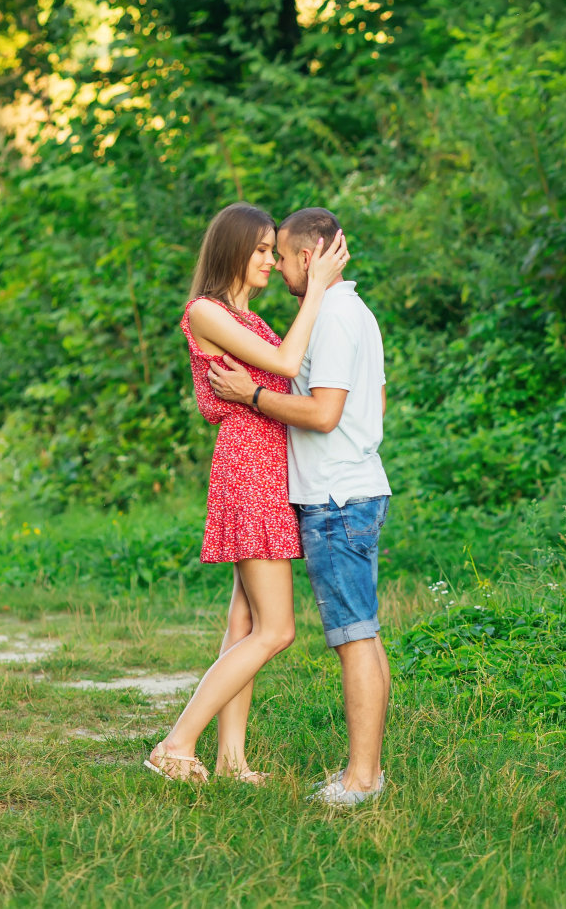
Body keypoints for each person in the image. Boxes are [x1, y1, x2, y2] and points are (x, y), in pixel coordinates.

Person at [146, 203, 349, 784]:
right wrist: (318, 287)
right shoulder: (206, 312)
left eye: (273, 250)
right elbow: (288, 362)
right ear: (234, 251)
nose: (269, 259)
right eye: (261, 249)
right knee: (277, 629)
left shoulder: (249, 318)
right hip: (249, 468)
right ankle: (175, 744)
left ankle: (231, 760)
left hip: (268, 467)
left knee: (244, 623)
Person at [207, 206, 392, 808]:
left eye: (282, 255)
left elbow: (323, 413)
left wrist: (254, 396)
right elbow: (376, 406)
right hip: (353, 484)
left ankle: (360, 781)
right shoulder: (355, 314)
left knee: (354, 637)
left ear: (307, 258)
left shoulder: (334, 318)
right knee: (363, 633)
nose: (277, 265)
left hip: (336, 496)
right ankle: (367, 773)